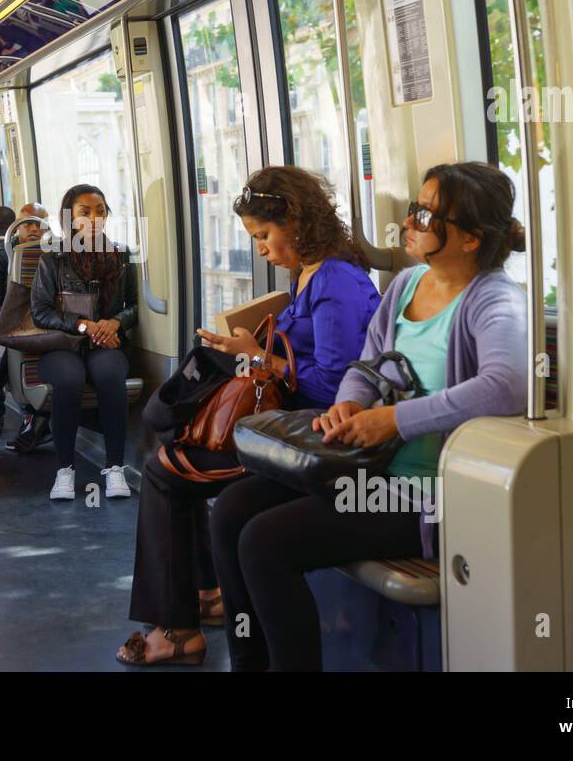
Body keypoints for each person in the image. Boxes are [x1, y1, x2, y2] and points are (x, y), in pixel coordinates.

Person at [210, 161, 529, 671]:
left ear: (470, 239)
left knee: (266, 541)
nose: (410, 222)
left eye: (426, 215)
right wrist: (351, 402)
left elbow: (506, 385)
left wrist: (395, 421)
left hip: (425, 493)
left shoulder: (494, 299)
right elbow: (366, 364)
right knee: (231, 511)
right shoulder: (406, 286)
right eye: (414, 210)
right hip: (371, 468)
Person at [117, 166, 380, 666]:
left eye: (264, 235)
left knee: (165, 470)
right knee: (169, 461)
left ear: (297, 222)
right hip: (284, 424)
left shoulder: (336, 282)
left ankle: (179, 626)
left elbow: (336, 387)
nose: (260, 248)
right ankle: (202, 598)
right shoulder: (307, 275)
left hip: (310, 438)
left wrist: (256, 357)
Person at [31, 184, 137, 501]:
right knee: (69, 379)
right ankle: (65, 469)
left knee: (110, 376)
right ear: (69, 218)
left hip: (105, 340)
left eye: (100, 211)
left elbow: (132, 305)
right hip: (63, 342)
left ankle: (115, 468)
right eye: (85, 212)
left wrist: (115, 322)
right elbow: (40, 312)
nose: (94, 218)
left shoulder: (120, 255)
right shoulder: (53, 258)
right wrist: (82, 324)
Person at [0, 203, 47, 439]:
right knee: (0, 345)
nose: (34, 229)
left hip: (38, 321)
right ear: (17, 227)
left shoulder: (51, 255)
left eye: (40, 224)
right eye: (28, 224)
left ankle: (39, 413)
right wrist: (16, 323)